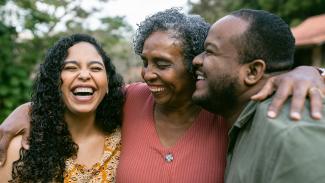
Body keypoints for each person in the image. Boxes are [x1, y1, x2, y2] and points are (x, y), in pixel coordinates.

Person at [1, 8, 325, 183]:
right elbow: (83, 94)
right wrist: (25, 111)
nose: (148, 74)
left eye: (162, 64)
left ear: (194, 65)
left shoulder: (223, 113)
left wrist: (310, 72)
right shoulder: (131, 100)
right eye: (145, 62)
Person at [192, 9, 325, 183]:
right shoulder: (244, 123)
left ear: (253, 72)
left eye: (210, 51)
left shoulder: (291, 135)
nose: (196, 60)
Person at [0, 34, 124, 182]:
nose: (84, 75)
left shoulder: (127, 140)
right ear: (54, 81)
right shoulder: (22, 148)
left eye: (96, 68)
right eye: (71, 67)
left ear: (108, 83)